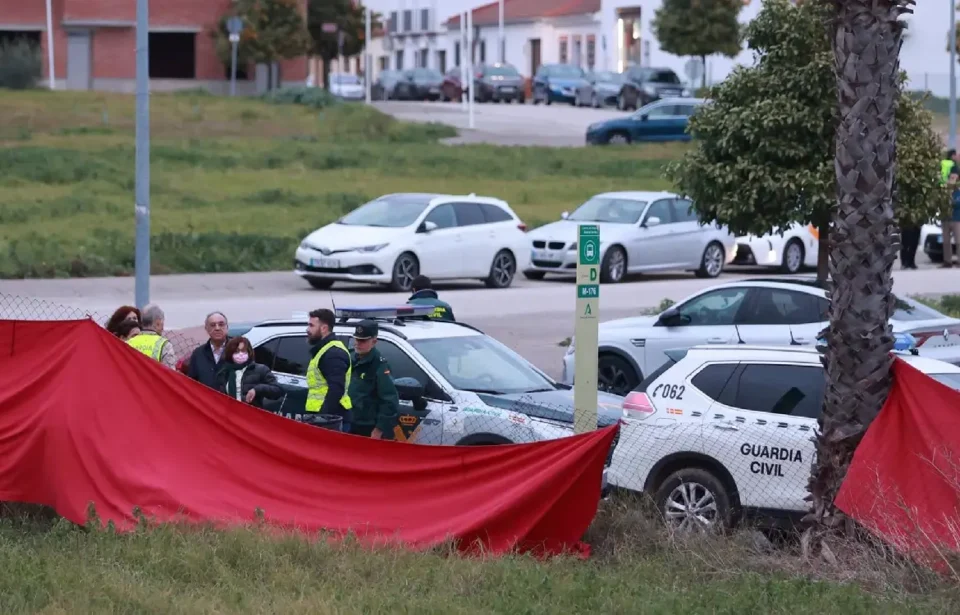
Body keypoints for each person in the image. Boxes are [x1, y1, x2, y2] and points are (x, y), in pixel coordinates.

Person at [347, 319, 400, 440]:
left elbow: (389, 401)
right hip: (349, 423)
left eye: (363, 341)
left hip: (367, 428)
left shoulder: (379, 365)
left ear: (374, 341)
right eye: (356, 339)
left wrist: (379, 429)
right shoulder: (350, 359)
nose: (357, 343)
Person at [305, 308, 352, 431]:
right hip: (323, 418)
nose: (307, 330)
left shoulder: (333, 353)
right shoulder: (323, 350)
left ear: (324, 328)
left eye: (311, 325)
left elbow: (336, 389)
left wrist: (324, 420)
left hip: (331, 421)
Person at [216, 336, 282, 409]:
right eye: (237, 351)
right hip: (229, 415)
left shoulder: (260, 370)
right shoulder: (224, 372)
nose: (240, 354)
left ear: (249, 351)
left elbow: (277, 391)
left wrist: (257, 389)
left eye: (243, 351)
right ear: (230, 353)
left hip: (251, 415)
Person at [186, 311, 231, 390]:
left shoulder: (238, 350)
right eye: (213, 325)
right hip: (205, 401)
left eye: (221, 324)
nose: (217, 328)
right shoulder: (198, 354)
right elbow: (191, 384)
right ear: (206, 328)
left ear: (227, 327)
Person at [127, 304, 177, 369]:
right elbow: (170, 374)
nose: (163, 328)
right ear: (158, 323)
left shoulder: (128, 343)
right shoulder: (164, 345)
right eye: (162, 323)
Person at [940, 150, 960, 268]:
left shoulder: (958, 190)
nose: (952, 178)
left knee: (959, 241)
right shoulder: (944, 190)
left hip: (957, 218)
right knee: (946, 241)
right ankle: (947, 261)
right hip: (945, 218)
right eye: (951, 177)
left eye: (954, 177)